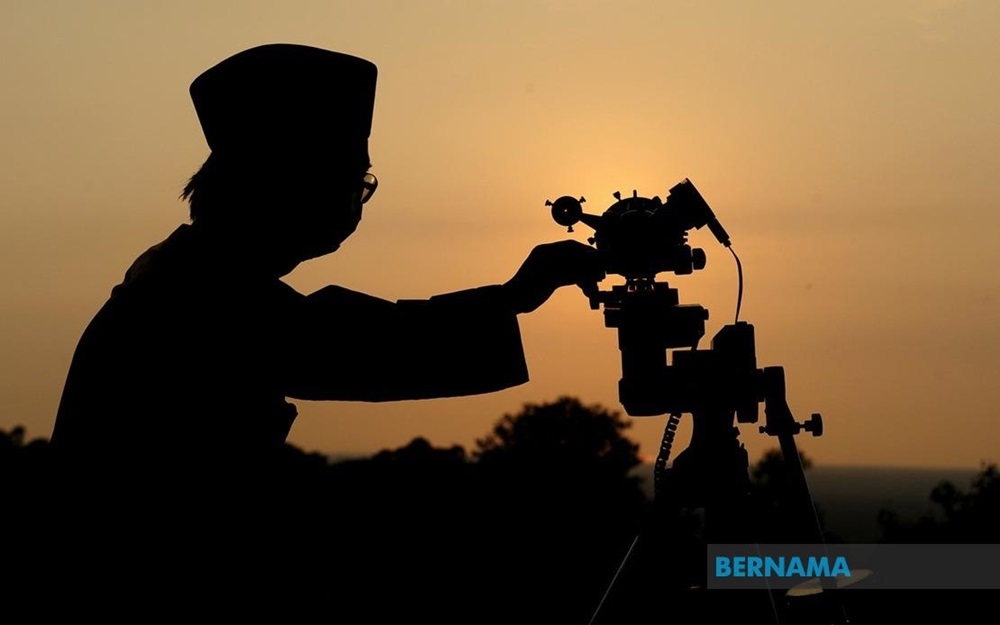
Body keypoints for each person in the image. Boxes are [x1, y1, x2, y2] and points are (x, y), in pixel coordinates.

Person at [47, 44, 602, 538]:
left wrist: (513, 297)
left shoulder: (188, 274)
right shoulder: (196, 296)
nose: (355, 202)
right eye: (354, 181)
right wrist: (515, 296)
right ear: (287, 184)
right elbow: (353, 345)